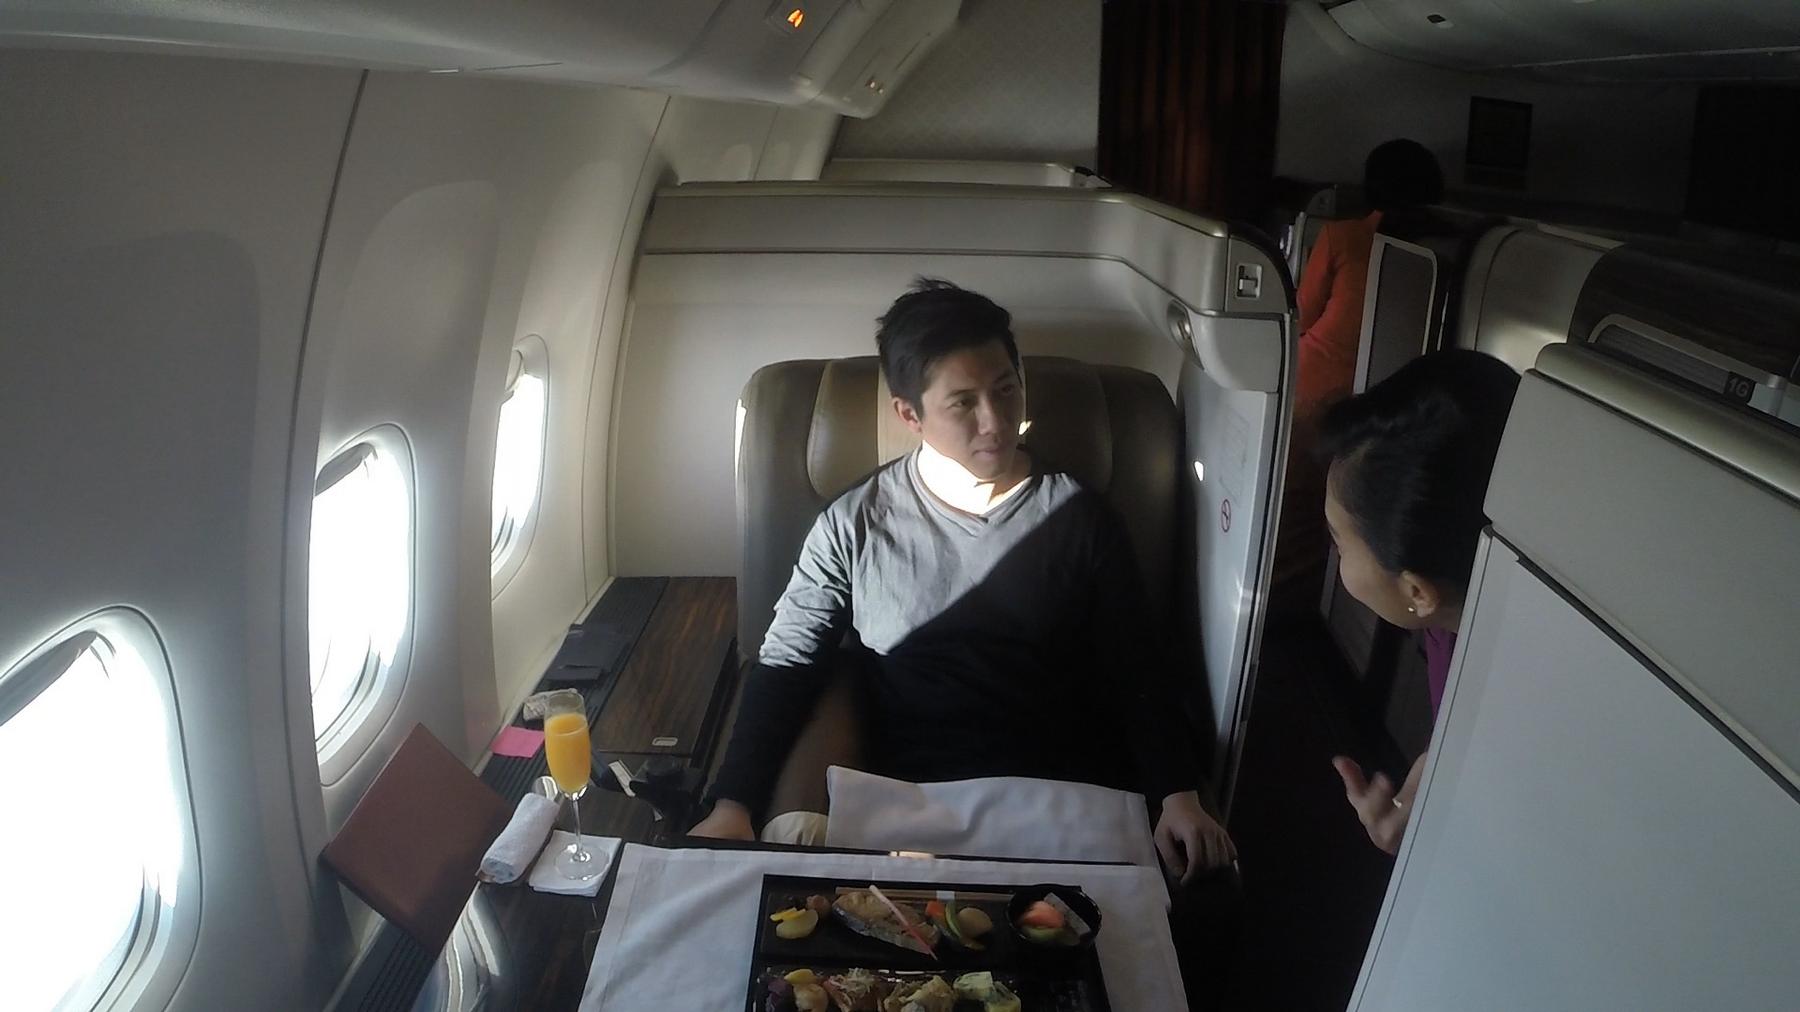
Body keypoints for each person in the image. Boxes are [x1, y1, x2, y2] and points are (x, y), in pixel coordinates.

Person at [690, 278, 1236, 880]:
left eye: (1007, 390)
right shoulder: (854, 525)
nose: (996, 422)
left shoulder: (1081, 518)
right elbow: (786, 667)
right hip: (910, 798)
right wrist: (731, 805)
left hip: (1052, 790)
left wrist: (1178, 794)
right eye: (963, 403)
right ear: (910, 414)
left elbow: (1138, 667)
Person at [1317, 350, 1520, 853]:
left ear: (1417, 592)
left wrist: (1425, 828)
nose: (1334, 554)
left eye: (1340, 543)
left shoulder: (1510, 720)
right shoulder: (1464, 614)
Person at [1271, 139, 1446, 610]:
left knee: (1292, 510)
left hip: (1313, 394)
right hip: (1381, 408)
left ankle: (1271, 605)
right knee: (1342, 520)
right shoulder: (1441, 252)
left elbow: (1301, 316)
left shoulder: (1343, 236)